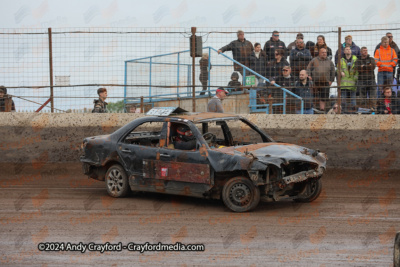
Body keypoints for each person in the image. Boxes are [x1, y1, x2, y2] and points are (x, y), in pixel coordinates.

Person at [307, 48, 335, 112]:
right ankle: (313, 109)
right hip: (315, 82)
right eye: (323, 52)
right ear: (319, 53)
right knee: (314, 96)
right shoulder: (314, 60)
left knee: (324, 97)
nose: (324, 53)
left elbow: (333, 71)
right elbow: (308, 69)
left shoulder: (330, 62)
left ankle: (322, 109)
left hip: (326, 82)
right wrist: (309, 75)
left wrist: (331, 80)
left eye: (325, 52)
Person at [339, 46, 358, 112]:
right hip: (344, 83)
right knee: (343, 99)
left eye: (349, 49)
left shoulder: (355, 59)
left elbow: (358, 70)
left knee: (353, 99)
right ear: (344, 51)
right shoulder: (341, 60)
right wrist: (340, 72)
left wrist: (355, 78)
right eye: (346, 49)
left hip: (353, 83)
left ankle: (354, 112)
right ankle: (344, 111)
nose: (348, 50)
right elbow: (338, 69)